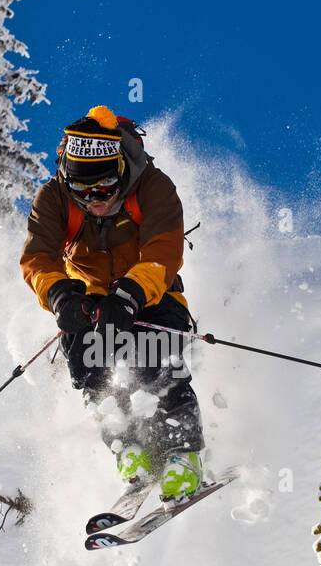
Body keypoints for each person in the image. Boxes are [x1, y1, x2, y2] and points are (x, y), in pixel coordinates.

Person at [20, 105, 205, 499]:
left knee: (154, 353)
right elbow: (38, 258)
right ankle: (126, 445)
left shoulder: (154, 188)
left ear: (121, 169)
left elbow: (163, 251)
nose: (94, 200)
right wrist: (58, 294)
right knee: (89, 364)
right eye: (82, 192)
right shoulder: (53, 198)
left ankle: (183, 451)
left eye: (104, 188)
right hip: (90, 298)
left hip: (152, 293)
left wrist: (131, 294)